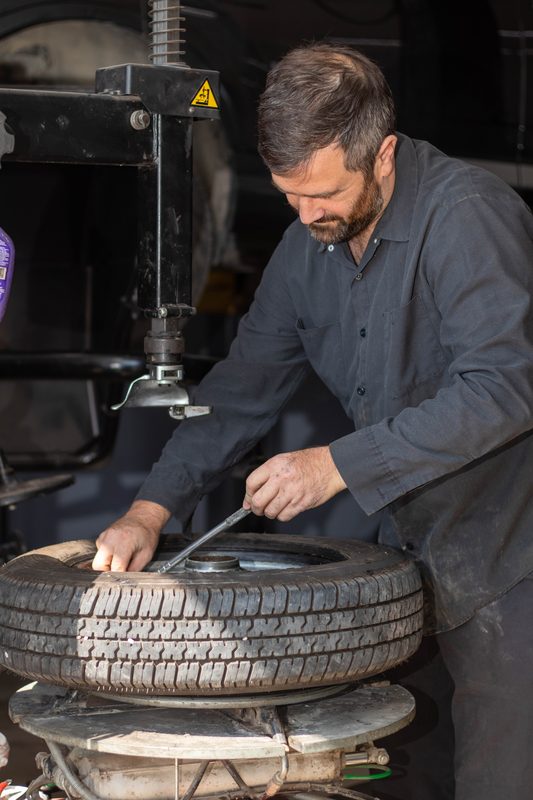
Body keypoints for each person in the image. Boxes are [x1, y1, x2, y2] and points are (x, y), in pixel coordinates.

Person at [92, 43, 533, 800]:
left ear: (382, 154)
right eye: (288, 195)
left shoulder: (467, 217)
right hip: (411, 565)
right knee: (404, 772)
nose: (306, 216)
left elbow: (505, 388)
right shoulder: (307, 244)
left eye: (324, 193)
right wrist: (148, 511)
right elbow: (241, 390)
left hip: (511, 560)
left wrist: (334, 465)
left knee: (500, 780)